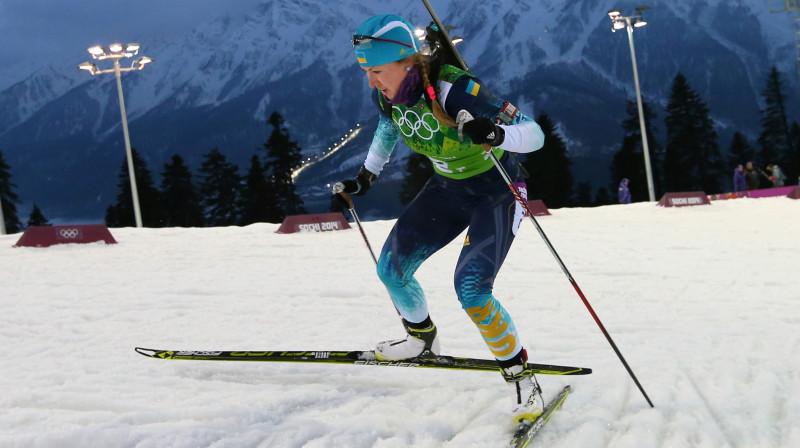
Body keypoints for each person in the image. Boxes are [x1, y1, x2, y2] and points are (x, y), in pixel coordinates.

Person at [333, 14, 546, 423]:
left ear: (407, 62)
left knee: (471, 290)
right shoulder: (389, 95)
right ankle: (421, 338)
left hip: (497, 191)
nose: (372, 82)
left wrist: (498, 135)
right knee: (391, 270)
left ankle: (522, 378)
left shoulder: (455, 89)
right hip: (447, 189)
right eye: (366, 72)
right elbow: (388, 127)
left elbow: (534, 133)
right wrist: (366, 177)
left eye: (376, 71)